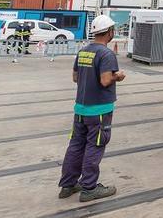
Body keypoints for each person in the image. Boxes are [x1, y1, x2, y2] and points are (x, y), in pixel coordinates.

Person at [58, 15, 126, 202]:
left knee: (76, 145)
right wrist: (118, 76)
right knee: (95, 146)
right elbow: (105, 80)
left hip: (81, 108)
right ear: (110, 32)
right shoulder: (106, 54)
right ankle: (89, 187)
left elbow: (75, 77)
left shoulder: (84, 51)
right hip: (99, 111)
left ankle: (68, 184)